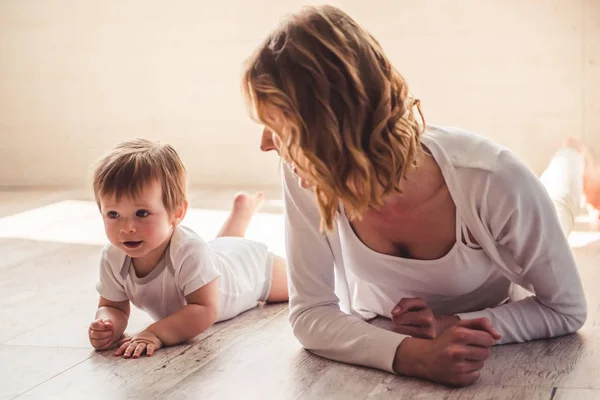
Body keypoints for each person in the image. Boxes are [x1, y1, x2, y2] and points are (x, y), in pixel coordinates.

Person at [241, 5, 599, 386]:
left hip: (508, 221)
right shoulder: (309, 174)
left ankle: (574, 157)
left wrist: (449, 326)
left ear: (330, 125)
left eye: (277, 127)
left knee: (557, 203)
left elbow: (565, 310)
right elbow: (311, 313)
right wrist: (413, 355)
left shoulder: (492, 178)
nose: (266, 144)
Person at [87, 139, 288, 358]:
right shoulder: (113, 256)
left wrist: (155, 333)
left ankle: (243, 213)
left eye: (142, 213)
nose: (127, 228)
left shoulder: (190, 251)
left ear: (177, 213)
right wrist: (108, 324)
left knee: (299, 285)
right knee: (222, 248)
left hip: (251, 270)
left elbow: (204, 310)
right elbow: (114, 306)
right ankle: (242, 210)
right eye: (113, 214)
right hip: (218, 255)